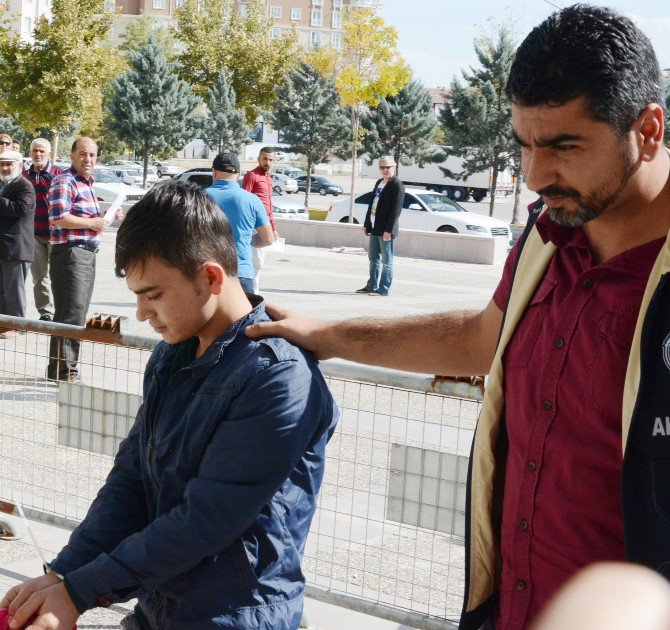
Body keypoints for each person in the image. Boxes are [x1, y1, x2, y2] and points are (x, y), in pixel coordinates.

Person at [246, 5, 670, 629]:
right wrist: (326, 333)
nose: (534, 175)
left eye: (563, 147)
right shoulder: (547, 236)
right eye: (524, 145)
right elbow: (481, 338)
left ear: (648, 130)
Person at [0, 180, 338, 630]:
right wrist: (65, 572)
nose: (142, 314)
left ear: (211, 277)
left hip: (237, 615)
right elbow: (132, 480)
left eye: (153, 294)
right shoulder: (174, 352)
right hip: (161, 605)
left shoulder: (277, 375)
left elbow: (206, 520)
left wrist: (80, 591)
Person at [47, 137, 120, 382]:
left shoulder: (86, 184)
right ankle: (65, 372)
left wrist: (106, 217)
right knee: (71, 314)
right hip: (70, 254)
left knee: (75, 314)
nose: (88, 159)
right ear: (72, 156)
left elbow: (84, 218)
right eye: (83, 154)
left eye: (92, 155)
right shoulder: (65, 180)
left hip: (85, 254)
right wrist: (93, 222)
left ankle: (61, 369)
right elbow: (59, 217)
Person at [205, 152, 274, 293]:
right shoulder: (252, 200)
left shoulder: (199, 197)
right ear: (239, 174)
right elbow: (268, 239)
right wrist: (246, 240)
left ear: (214, 171)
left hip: (206, 274)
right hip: (241, 273)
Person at [24, 138, 62, 321]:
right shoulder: (23, 176)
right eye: (35, 151)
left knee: (59, 277)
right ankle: (46, 313)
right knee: (39, 278)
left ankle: (62, 313)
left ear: (49, 153)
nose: (38, 154)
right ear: (30, 153)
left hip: (56, 235)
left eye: (41, 151)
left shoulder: (59, 175)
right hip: (33, 235)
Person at [356, 156, 404, 296]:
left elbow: (396, 210)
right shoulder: (379, 182)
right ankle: (371, 285)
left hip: (386, 230)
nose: (385, 170)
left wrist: (389, 230)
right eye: (382, 167)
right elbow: (372, 204)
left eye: (388, 167)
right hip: (374, 227)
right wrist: (367, 223)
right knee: (373, 258)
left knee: (386, 260)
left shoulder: (397, 185)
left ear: (394, 168)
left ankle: (383, 288)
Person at [0, 150, 36, 338]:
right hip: (3, 248)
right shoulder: (4, 185)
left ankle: (18, 325)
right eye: (2, 164)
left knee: (14, 290)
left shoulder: (24, 186)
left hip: (16, 247)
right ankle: (4, 322)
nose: (5, 168)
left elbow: (21, 209)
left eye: (9, 164)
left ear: (19, 166)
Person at [242, 147, 277, 292]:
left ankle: (254, 292)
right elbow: (243, 200)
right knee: (254, 261)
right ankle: (252, 294)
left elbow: (269, 206)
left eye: (270, 160)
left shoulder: (269, 178)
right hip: (254, 226)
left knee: (259, 262)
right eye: (264, 159)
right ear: (258, 159)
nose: (267, 162)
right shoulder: (252, 176)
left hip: (265, 225)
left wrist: (273, 228)